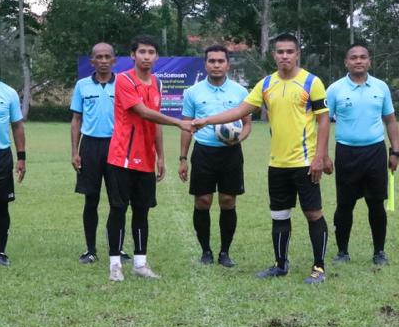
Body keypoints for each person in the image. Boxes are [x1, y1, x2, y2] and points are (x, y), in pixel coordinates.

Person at [192, 33, 332, 284]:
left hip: (304, 162)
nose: (285, 56)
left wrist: (320, 157)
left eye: (289, 51)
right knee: (279, 215)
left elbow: (323, 120)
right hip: (276, 164)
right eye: (280, 52)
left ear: (297, 54)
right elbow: (240, 111)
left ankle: (319, 267)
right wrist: (207, 120)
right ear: (274, 55)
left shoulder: (312, 82)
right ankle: (280, 264)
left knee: (313, 213)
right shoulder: (266, 84)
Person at [106, 35, 192, 281]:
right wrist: (179, 122)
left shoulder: (157, 83)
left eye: (151, 52)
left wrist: (160, 156)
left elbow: (155, 122)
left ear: (156, 57)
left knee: (142, 210)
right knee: (118, 209)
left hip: (145, 159)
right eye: (142, 52)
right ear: (132, 55)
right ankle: (115, 265)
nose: (146, 56)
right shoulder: (123, 80)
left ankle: (140, 264)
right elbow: (143, 112)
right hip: (122, 157)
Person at [178, 45, 251, 267]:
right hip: (203, 152)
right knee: (203, 201)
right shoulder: (193, 92)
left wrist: (238, 139)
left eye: (220, 61)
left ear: (228, 64)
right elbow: (187, 127)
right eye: (212, 61)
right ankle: (206, 251)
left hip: (231, 153)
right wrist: (183, 159)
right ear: (205, 64)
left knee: (228, 201)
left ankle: (225, 252)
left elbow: (247, 124)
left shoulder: (240, 92)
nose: (216, 65)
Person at [327, 43, 399, 265]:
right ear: (346, 62)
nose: (358, 61)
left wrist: (395, 151)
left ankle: (379, 252)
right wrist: (322, 155)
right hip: (346, 153)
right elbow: (322, 123)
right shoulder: (335, 89)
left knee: (376, 204)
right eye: (353, 57)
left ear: (369, 61)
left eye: (363, 57)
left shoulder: (381, 87)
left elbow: (390, 120)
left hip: (375, 152)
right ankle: (342, 252)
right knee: (345, 204)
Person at [70, 43, 131, 264]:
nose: (103, 61)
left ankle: (117, 248)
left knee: (119, 202)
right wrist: (75, 151)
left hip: (117, 146)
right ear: (92, 61)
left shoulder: (124, 83)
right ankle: (90, 250)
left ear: (114, 60)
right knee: (91, 199)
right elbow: (76, 119)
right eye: (99, 57)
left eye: (107, 57)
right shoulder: (82, 85)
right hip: (90, 147)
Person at [0, 80, 26, 266]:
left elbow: (17, 126)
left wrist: (21, 157)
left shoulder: (8, 93)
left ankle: (0, 252)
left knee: (1, 205)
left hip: (1, 156)